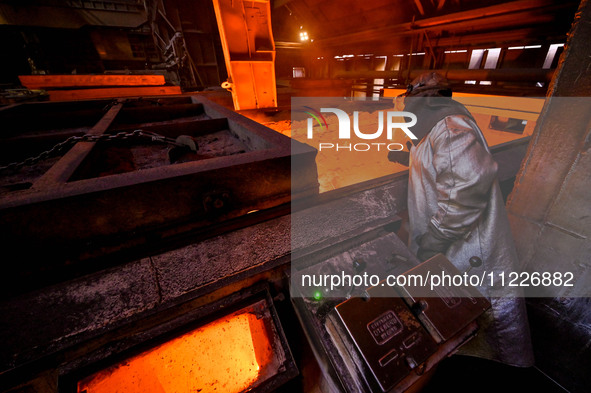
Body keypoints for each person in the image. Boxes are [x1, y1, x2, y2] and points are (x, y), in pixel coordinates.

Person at [391, 72, 535, 367]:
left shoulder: (451, 127)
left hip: (471, 254)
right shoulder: (437, 128)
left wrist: (434, 238)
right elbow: (446, 164)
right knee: (464, 324)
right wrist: (408, 157)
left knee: (490, 334)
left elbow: (465, 189)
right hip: (452, 252)